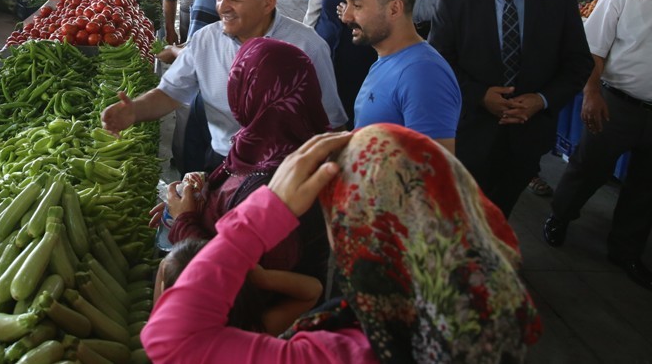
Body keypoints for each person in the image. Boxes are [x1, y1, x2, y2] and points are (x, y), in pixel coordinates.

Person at [142, 125, 542, 364]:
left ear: (360, 235)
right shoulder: (490, 317)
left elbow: (172, 340)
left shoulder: (345, 353)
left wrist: (265, 213)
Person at [104, 0, 346, 172]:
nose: (222, 7)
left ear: (268, 2)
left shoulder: (307, 46)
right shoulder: (206, 39)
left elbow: (331, 124)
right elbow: (170, 93)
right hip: (223, 159)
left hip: (286, 170)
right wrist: (134, 111)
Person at [429, 0, 593, 218]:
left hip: (528, 134)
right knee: (463, 212)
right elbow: (438, 67)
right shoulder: (455, 3)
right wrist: (479, 95)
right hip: (471, 133)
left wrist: (541, 100)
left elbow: (577, 62)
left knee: (500, 212)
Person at [161, 38, 332, 277]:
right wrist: (196, 203)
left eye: (237, 80)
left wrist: (184, 221)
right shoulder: (260, 144)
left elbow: (235, 278)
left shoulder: (278, 181)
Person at [544, 0, 652, 291]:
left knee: (646, 186)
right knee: (589, 166)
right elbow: (592, 51)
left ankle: (626, 250)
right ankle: (560, 216)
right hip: (617, 104)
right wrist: (591, 94)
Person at [340, 0, 460, 149]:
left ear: (394, 9)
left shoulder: (424, 74)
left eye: (357, 5)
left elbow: (433, 171)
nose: (346, 17)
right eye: (347, 4)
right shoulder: (388, 59)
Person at [156, 238, 323, 337]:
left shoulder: (163, 335)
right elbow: (312, 292)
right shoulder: (250, 331)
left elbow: (164, 266)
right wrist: (263, 278)